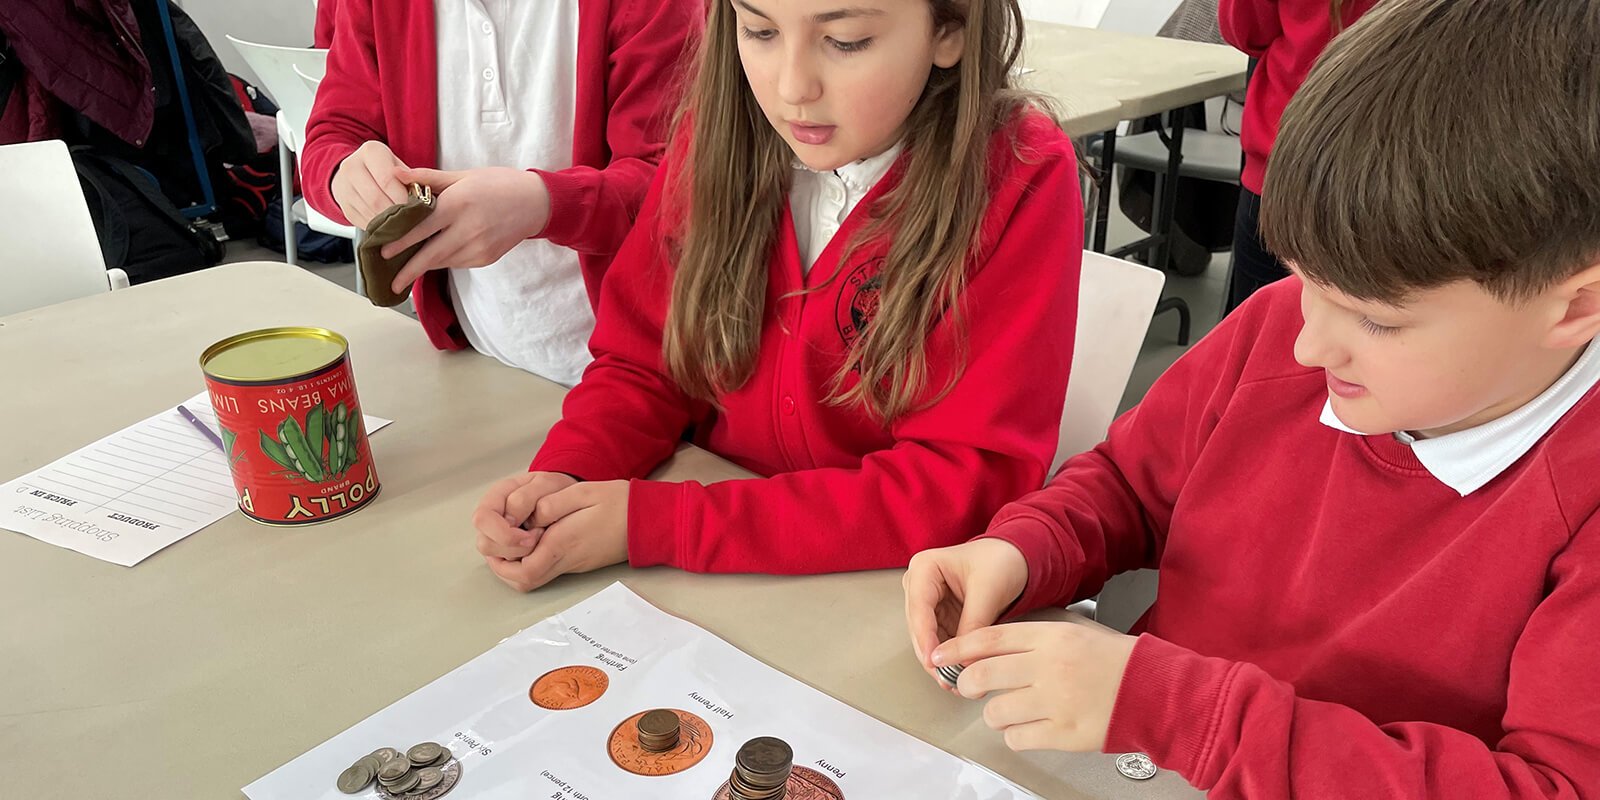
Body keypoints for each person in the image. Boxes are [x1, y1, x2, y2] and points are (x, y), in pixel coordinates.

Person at [905, 0, 1600, 795]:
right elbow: (1132, 484)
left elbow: (1555, 787)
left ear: (1575, 307)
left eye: (1378, 318)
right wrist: (1023, 551)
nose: (1307, 345)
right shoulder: (1278, 330)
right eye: (1304, 279)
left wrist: (1182, 712)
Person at [472, 0, 1083, 590]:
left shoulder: (1019, 175)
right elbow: (647, 365)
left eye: (846, 41)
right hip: (713, 589)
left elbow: (961, 485)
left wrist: (663, 524)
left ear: (949, 28)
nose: (792, 88)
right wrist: (571, 471)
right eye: (759, 31)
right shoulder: (716, 134)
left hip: (887, 597)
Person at [302, 0, 701, 384]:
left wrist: (544, 205)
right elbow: (332, 133)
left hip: (639, 364)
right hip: (479, 351)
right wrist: (344, 175)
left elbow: (679, 184)